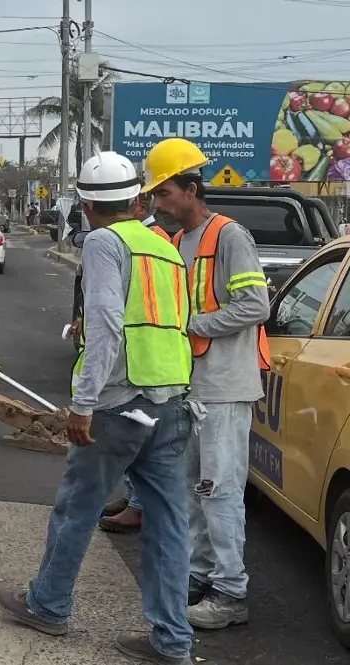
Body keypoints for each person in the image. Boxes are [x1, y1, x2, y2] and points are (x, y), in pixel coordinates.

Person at [0, 152, 195, 665]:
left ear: (85, 205)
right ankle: (172, 639)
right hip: (171, 401)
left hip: (119, 404)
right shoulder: (166, 248)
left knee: (76, 509)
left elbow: (106, 324)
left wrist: (82, 405)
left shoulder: (105, 243)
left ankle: (49, 604)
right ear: (136, 199)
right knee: (169, 523)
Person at [144, 137, 271, 630]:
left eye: (165, 193)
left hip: (224, 387)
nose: (159, 203)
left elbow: (255, 307)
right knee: (192, 489)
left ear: (192, 189)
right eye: (155, 195)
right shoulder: (176, 242)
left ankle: (230, 592)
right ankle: (200, 574)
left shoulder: (230, 237)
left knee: (218, 490)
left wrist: (191, 324)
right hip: (190, 385)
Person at [97, 192, 170, 535]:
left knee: (76, 505)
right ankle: (134, 502)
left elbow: (115, 319)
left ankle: (137, 507)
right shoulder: (160, 242)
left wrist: (84, 403)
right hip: (161, 374)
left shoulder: (141, 240)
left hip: (140, 372)